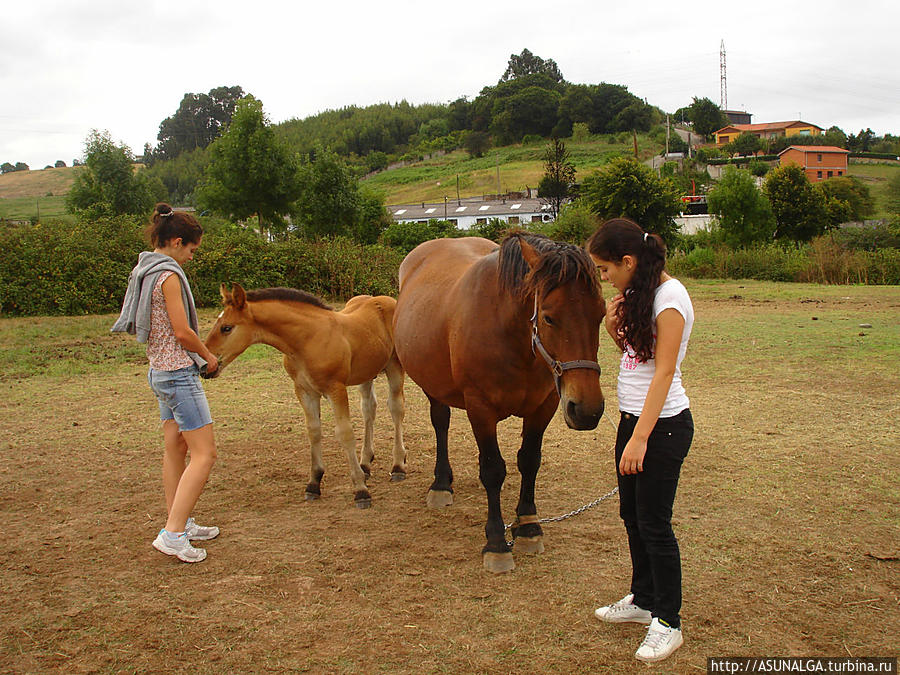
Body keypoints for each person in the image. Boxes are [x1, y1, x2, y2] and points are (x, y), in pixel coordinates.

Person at [586, 218, 695, 663]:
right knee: (631, 514)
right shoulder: (636, 293)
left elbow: (665, 372)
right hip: (633, 421)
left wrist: (641, 438)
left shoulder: (670, 300)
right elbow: (637, 356)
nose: (605, 277)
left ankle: (668, 621)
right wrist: (613, 326)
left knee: (654, 523)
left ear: (628, 261)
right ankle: (644, 597)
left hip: (663, 427)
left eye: (606, 268)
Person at [112, 203, 220, 563]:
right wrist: (208, 356)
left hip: (158, 372)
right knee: (205, 454)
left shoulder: (144, 270)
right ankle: (173, 534)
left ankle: (180, 521)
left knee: (175, 448)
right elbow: (182, 331)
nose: (191, 256)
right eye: (191, 249)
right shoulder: (169, 276)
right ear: (176, 242)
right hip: (178, 374)